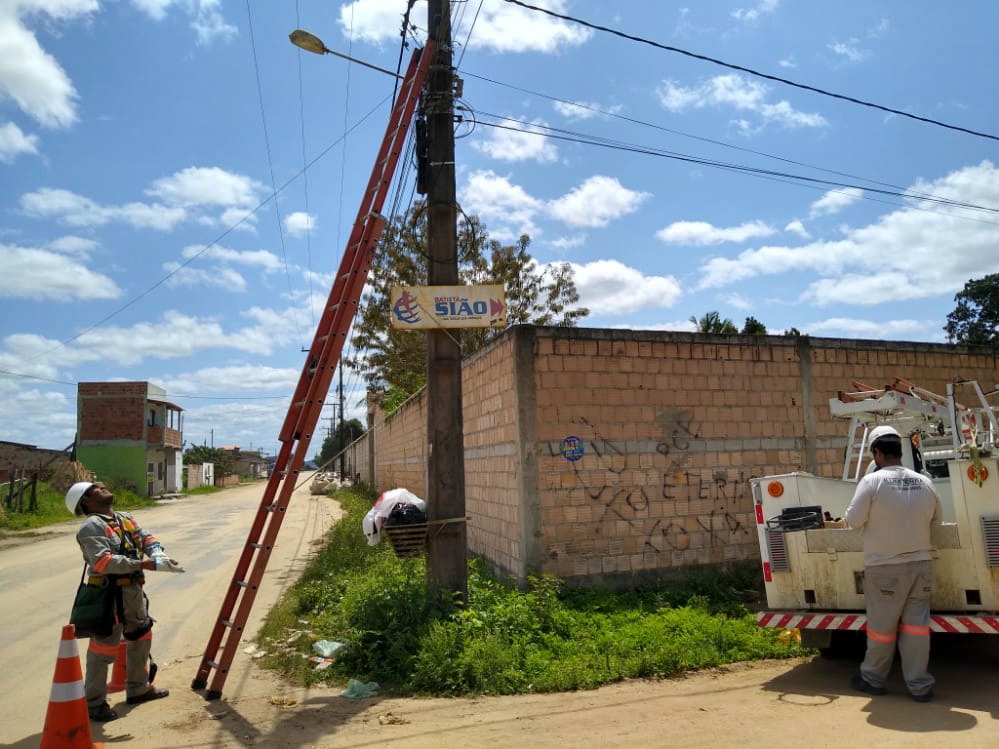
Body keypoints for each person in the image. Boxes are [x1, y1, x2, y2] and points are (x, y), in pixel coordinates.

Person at [65, 481, 185, 722]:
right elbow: (102, 562)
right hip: (108, 595)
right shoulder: (91, 526)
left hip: (132, 591)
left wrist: (156, 553)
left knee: (141, 635)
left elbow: (145, 538)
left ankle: (138, 688)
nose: (102, 488)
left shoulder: (124, 518)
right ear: (86, 502)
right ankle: (94, 703)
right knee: (103, 649)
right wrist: (144, 564)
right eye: (95, 489)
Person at [844, 425, 942, 703]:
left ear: (877, 452)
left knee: (882, 629)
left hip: (884, 568)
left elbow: (853, 521)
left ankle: (873, 679)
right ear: (900, 452)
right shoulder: (924, 482)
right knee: (916, 629)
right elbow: (937, 520)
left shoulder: (872, 482)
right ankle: (920, 686)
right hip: (921, 566)